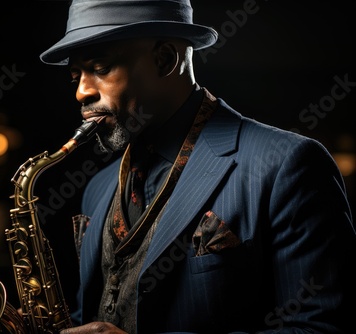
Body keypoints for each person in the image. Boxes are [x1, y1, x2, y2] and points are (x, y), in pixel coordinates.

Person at [38, 0, 356, 333]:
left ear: (165, 59)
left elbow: (319, 327)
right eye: (76, 75)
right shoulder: (98, 188)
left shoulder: (287, 164)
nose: (81, 92)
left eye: (100, 68)